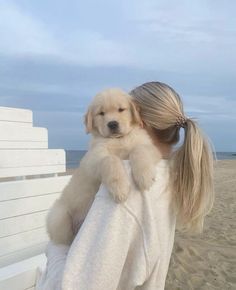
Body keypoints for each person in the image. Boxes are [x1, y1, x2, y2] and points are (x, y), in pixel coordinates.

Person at [36, 81, 214, 290]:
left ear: (139, 119)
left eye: (122, 110)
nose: (112, 119)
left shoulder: (130, 178)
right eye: (103, 114)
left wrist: (55, 249)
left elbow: (72, 284)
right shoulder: (170, 175)